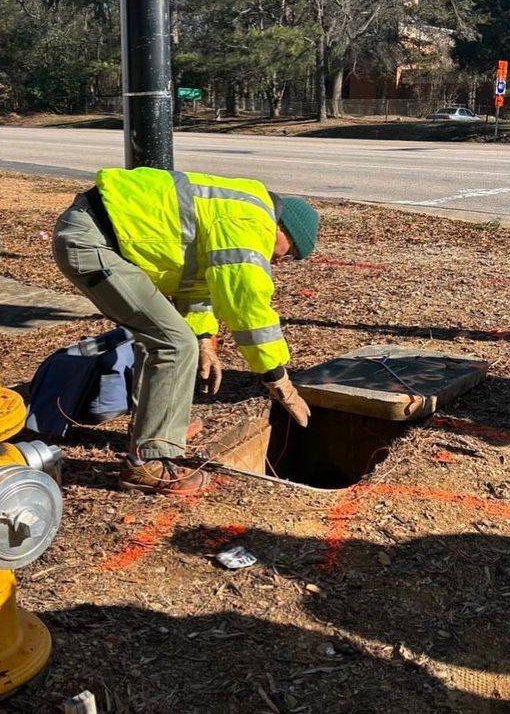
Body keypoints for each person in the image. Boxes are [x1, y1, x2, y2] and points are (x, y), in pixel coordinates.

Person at [52, 167, 319, 496]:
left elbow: (194, 283)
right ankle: (149, 462)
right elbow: (248, 306)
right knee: (173, 344)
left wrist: (205, 338)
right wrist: (276, 376)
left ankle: (160, 428)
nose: (280, 261)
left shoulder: (240, 207)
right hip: (93, 241)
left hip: (96, 232)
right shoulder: (252, 223)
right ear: (284, 229)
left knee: (164, 339)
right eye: (289, 254)